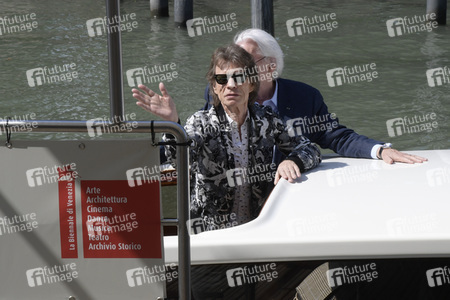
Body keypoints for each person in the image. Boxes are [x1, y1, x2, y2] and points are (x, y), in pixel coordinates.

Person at [132, 44, 321, 228]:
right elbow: (178, 158)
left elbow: (309, 148)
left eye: (238, 78)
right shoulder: (200, 122)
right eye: (222, 79)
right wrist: (172, 123)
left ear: (251, 84)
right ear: (214, 87)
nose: (231, 85)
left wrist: (293, 161)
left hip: (258, 228)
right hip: (210, 234)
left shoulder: (267, 119)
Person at [203, 28, 427, 164]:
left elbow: (336, 137)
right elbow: (201, 138)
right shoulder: (222, 92)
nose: (236, 74)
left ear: (270, 65)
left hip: (291, 190)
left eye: (248, 62)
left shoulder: (304, 97)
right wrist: (172, 123)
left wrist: (380, 150)